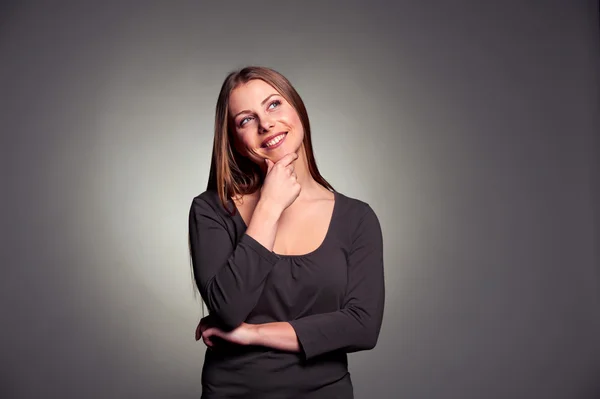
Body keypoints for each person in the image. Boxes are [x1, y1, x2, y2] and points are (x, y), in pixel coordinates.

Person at [188, 66, 385, 399]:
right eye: (245, 120)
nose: (266, 123)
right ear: (235, 140)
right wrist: (269, 207)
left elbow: (363, 327)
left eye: (274, 104)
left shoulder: (357, 218)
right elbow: (228, 309)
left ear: (298, 110)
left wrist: (252, 334)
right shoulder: (212, 210)